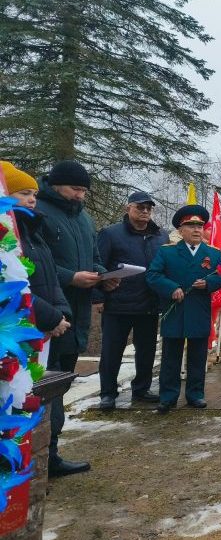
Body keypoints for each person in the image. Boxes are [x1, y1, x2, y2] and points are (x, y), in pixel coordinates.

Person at [37, 160, 111, 477]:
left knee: (60, 386)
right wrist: (71, 278)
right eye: (75, 189)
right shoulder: (38, 213)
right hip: (48, 316)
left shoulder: (83, 218)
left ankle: (50, 453)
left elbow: (94, 258)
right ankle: (39, 457)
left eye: (84, 190)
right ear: (56, 185)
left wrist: (104, 276)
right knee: (43, 387)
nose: (80, 195)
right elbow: (33, 263)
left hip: (76, 316)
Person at [146, 205, 221, 414]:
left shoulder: (212, 253)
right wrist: (171, 288)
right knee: (171, 357)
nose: (196, 230)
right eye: (191, 225)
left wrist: (209, 284)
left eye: (200, 226)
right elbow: (153, 275)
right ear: (180, 230)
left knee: (198, 357)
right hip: (175, 311)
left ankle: (195, 394)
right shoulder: (168, 252)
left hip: (199, 311)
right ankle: (168, 397)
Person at [95, 191, 169, 410]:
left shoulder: (161, 236)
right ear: (128, 208)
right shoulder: (110, 234)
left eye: (148, 208)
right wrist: (97, 297)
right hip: (118, 304)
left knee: (146, 350)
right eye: (140, 207)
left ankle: (142, 388)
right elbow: (97, 265)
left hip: (149, 304)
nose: (145, 212)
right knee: (112, 351)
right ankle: (108, 393)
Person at [2, 161, 72, 359]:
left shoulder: (33, 232)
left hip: (44, 328)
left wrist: (60, 313)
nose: (32, 200)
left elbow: (51, 278)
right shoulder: (5, 238)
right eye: (24, 194)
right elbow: (10, 286)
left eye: (34, 194)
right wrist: (50, 317)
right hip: (17, 328)